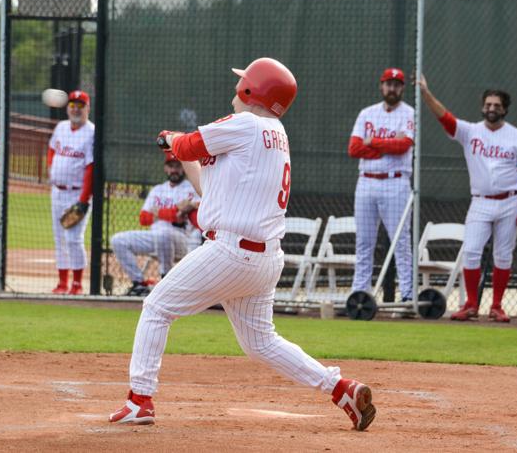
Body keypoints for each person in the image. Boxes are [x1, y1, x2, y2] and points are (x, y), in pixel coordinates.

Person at [108, 57, 376, 431]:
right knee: (261, 342)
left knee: (156, 307)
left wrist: (171, 140)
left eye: (243, 84)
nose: (236, 91)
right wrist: (180, 150)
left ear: (253, 90)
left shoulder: (246, 123)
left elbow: (187, 145)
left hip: (230, 252)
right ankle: (340, 388)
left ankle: (140, 401)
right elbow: (208, 184)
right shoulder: (275, 133)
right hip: (263, 259)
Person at [418, 74, 517, 322]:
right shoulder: (471, 131)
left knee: (503, 255)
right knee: (471, 251)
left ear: (505, 109)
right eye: (488, 104)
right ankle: (471, 304)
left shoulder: (516, 136)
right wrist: (426, 93)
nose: (491, 108)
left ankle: (497, 306)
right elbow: (445, 118)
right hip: (480, 201)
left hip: (509, 201)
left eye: (497, 105)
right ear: (483, 107)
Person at [348, 68, 415, 301]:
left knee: (401, 241)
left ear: (402, 88)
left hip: (396, 182)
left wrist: (373, 142)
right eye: (388, 83)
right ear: (381, 85)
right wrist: (386, 145)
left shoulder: (409, 113)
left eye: (397, 84)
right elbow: (354, 149)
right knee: (364, 242)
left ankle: (407, 293)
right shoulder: (367, 113)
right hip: (366, 182)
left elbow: (404, 146)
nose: (392, 88)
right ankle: (360, 292)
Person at [111, 152, 201, 297]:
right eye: (171, 166)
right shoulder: (158, 189)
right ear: (166, 168)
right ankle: (139, 284)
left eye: (177, 166)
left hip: (182, 240)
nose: (174, 170)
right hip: (155, 236)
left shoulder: (191, 189)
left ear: (183, 168)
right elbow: (143, 218)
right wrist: (173, 211)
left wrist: (158, 213)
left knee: (164, 235)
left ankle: (166, 280)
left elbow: (183, 216)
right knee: (118, 240)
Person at [47, 90, 94, 295]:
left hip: (77, 193)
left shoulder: (92, 131)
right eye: (73, 105)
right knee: (59, 238)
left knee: (74, 238)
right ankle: (62, 282)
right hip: (57, 192)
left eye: (80, 106)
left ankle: (77, 283)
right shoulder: (61, 127)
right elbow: (51, 149)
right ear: (68, 107)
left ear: (87, 108)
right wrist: (51, 168)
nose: (76, 109)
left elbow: (91, 167)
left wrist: (83, 200)